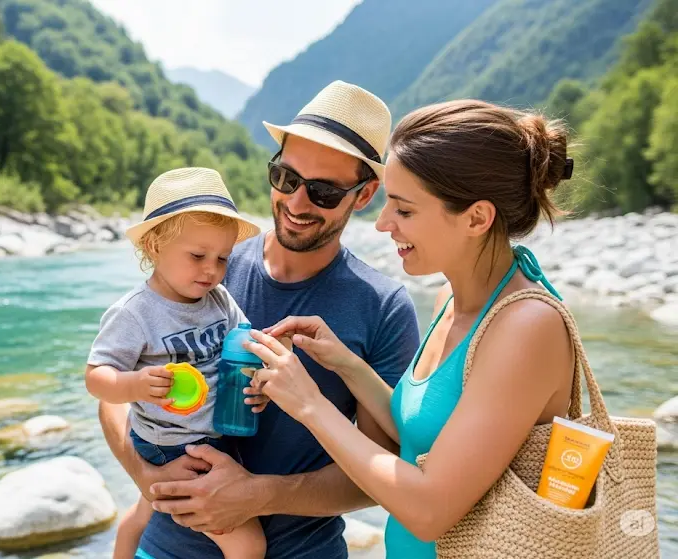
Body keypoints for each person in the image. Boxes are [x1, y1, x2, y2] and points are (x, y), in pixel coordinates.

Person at [97, 81, 421, 559]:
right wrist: (147, 477)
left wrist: (262, 493)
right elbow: (115, 392)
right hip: (165, 546)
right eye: (286, 178)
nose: (295, 203)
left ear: (366, 194)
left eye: (324, 191)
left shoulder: (383, 306)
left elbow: (381, 476)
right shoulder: (205, 266)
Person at [248, 99, 577, 558]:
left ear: (477, 218)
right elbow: (418, 437)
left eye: (403, 210)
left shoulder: (528, 327)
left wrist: (308, 404)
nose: (383, 225)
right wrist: (347, 365)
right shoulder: (455, 303)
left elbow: (427, 510)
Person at [85, 167, 268, 559]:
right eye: (198, 255)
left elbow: (245, 341)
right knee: (249, 544)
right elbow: (96, 379)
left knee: (143, 512)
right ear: (154, 245)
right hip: (172, 444)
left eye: (222, 258)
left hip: (211, 433)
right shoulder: (136, 313)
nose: (212, 269)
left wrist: (259, 379)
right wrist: (133, 385)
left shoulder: (219, 299)